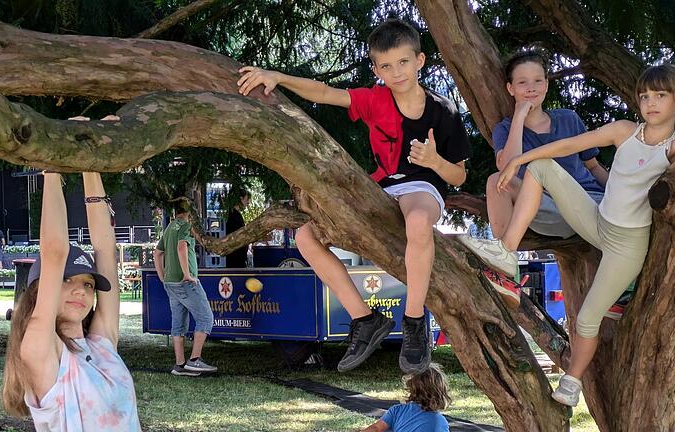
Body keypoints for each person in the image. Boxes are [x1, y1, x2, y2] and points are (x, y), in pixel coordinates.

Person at [238, 19, 472, 374]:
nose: (397, 72)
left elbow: (459, 175)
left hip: (423, 187)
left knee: (419, 221)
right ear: (376, 69)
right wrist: (278, 77)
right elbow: (324, 92)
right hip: (380, 187)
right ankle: (365, 319)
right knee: (305, 236)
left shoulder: (443, 110)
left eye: (404, 62)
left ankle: (413, 323)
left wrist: (435, 161)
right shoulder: (375, 100)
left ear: (420, 61)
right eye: (387, 66)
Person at [474, 65, 675, 406]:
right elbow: (571, 144)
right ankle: (506, 252)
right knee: (543, 168)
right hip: (596, 220)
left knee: (589, 318)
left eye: (661, 96)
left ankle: (572, 382)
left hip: (626, 246)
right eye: (645, 96)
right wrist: (521, 160)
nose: (650, 103)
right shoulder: (624, 131)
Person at [1, 169, 141, 431]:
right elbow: (54, 252)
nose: (81, 291)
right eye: (67, 280)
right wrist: (53, 169)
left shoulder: (102, 345)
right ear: (41, 290)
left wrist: (89, 164)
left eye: (88, 284)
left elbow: (105, 248)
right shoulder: (42, 351)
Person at [458, 47, 607, 282]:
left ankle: (503, 255)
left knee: (541, 167)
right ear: (510, 88)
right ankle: (505, 268)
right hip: (546, 208)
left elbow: (594, 167)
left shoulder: (568, 118)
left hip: (586, 203)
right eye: (522, 82)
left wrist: (620, 196)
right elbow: (507, 169)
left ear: (547, 85)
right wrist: (518, 118)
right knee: (497, 181)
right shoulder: (505, 129)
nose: (531, 88)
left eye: (538, 80)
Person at [154, 200, 217, 376]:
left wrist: (162, 275)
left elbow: (157, 253)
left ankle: (180, 365)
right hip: (185, 282)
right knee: (206, 318)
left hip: (170, 283)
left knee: (178, 323)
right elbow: (182, 247)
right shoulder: (185, 227)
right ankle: (195, 360)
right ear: (189, 213)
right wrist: (188, 274)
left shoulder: (169, 228)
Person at [359, 362, 451, 432]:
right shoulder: (440, 422)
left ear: (411, 388)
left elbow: (375, 428)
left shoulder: (397, 411)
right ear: (440, 393)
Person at [224, 188, 251, 268]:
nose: (248, 203)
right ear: (240, 199)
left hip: (238, 257)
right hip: (235, 258)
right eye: (246, 199)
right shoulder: (233, 216)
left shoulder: (235, 214)